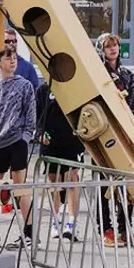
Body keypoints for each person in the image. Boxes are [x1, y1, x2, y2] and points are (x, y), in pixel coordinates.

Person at [0, 48, 37, 247]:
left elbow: (31, 114)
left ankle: (29, 232)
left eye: (14, 58)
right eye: (8, 58)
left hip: (17, 142)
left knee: (20, 187)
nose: (12, 61)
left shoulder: (25, 85)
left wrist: (25, 137)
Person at [96, 33, 134, 245]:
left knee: (127, 184)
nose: (113, 50)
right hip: (103, 135)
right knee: (105, 184)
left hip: (125, 135)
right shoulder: (97, 75)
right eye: (108, 47)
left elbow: (133, 108)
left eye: (115, 46)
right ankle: (106, 229)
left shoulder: (128, 75)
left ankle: (125, 229)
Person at [36, 79, 86, 241]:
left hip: (71, 141)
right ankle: (55, 220)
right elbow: (37, 118)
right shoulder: (43, 90)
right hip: (51, 143)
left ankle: (72, 223)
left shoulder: (75, 87)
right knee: (54, 182)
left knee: (71, 179)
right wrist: (40, 134)